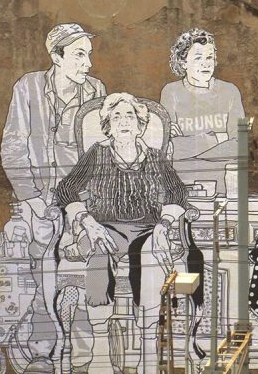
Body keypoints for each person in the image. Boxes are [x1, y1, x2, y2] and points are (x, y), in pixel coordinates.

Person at [56, 93, 190, 372]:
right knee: (99, 252)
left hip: (147, 229)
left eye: (130, 116)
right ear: (108, 126)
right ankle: (101, 350)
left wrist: (164, 225)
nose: (124, 122)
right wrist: (88, 222)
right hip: (104, 228)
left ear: (140, 125)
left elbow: (178, 192)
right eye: (116, 117)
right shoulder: (97, 153)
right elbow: (66, 189)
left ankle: (148, 350)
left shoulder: (154, 157)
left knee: (150, 257)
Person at [0, 23, 105, 372]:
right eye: (79, 55)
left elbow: (100, 151)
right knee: (38, 270)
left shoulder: (96, 91)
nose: (88, 63)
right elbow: (14, 145)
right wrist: (31, 198)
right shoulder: (29, 87)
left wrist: (86, 206)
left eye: (89, 55)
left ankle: (81, 357)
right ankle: (42, 349)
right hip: (38, 199)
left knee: (85, 273)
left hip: (81, 201)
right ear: (56, 57)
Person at [160, 28, 244, 194]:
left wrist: (189, 146)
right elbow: (170, 149)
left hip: (222, 188)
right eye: (198, 58)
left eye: (209, 57)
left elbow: (239, 146)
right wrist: (218, 138)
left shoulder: (229, 92)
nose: (206, 64)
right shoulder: (171, 92)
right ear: (183, 63)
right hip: (182, 187)